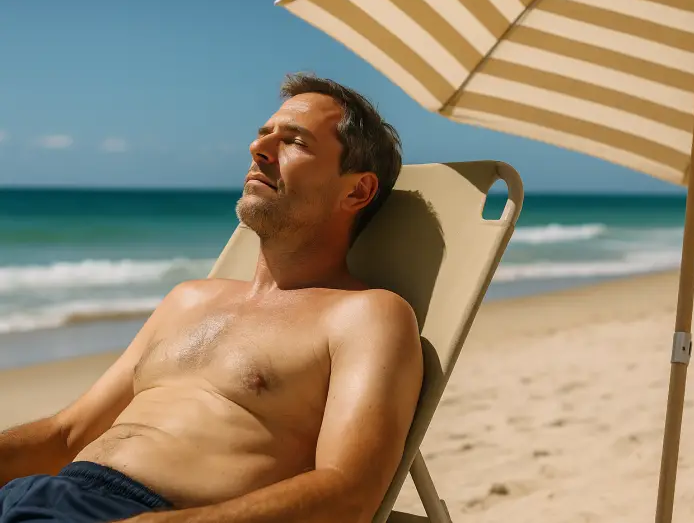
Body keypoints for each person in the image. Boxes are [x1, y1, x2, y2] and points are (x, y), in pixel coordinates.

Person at [0, 74, 424, 523]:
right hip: (35, 495)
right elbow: (66, 436)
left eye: (295, 141)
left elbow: (350, 493)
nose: (259, 149)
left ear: (357, 190)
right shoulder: (188, 299)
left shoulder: (365, 316)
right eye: (264, 134)